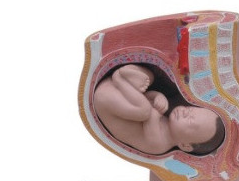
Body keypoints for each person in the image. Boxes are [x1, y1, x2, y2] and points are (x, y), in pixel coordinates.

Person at [93, 64, 224, 155]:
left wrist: (158, 100)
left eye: (190, 121)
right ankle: (128, 73)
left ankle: (119, 78)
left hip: (104, 100)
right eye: (190, 109)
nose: (185, 112)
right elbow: (147, 100)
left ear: (185, 145)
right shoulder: (167, 122)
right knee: (150, 77)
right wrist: (157, 96)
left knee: (144, 112)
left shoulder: (159, 145)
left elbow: (150, 114)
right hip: (117, 95)